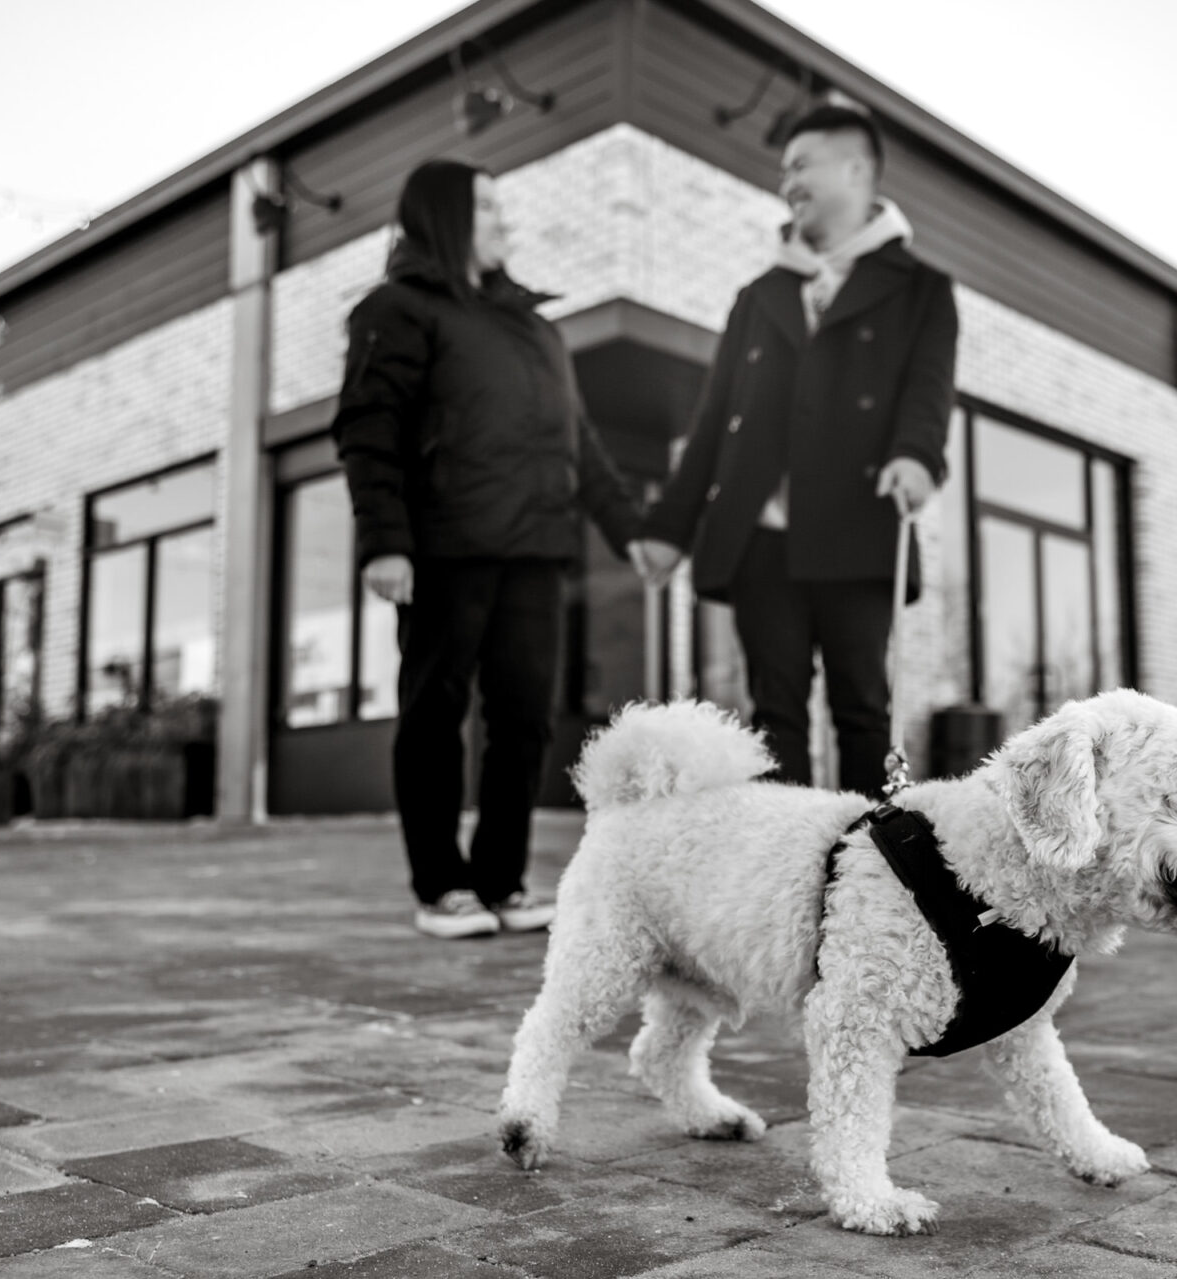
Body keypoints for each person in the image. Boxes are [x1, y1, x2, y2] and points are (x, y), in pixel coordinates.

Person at [333, 159, 648, 939]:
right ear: (442, 217)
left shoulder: (536, 328)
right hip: (444, 546)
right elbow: (369, 429)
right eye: (488, 205)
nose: (505, 219)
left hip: (536, 549)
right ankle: (442, 885)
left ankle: (502, 879)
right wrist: (384, 541)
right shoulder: (396, 309)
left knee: (524, 720)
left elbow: (580, 444)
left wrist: (629, 529)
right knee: (436, 713)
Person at [632, 105, 958, 798]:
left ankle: (875, 877)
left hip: (859, 526)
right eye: (785, 171)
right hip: (762, 540)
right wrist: (668, 527)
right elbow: (717, 419)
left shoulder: (921, 290)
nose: (788, 183)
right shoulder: (759, 296)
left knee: (863, 709)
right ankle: (787, 870)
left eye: (801, 165)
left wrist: (918, 457)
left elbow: (927, 395)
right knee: (772, 714)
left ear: (856, 169)